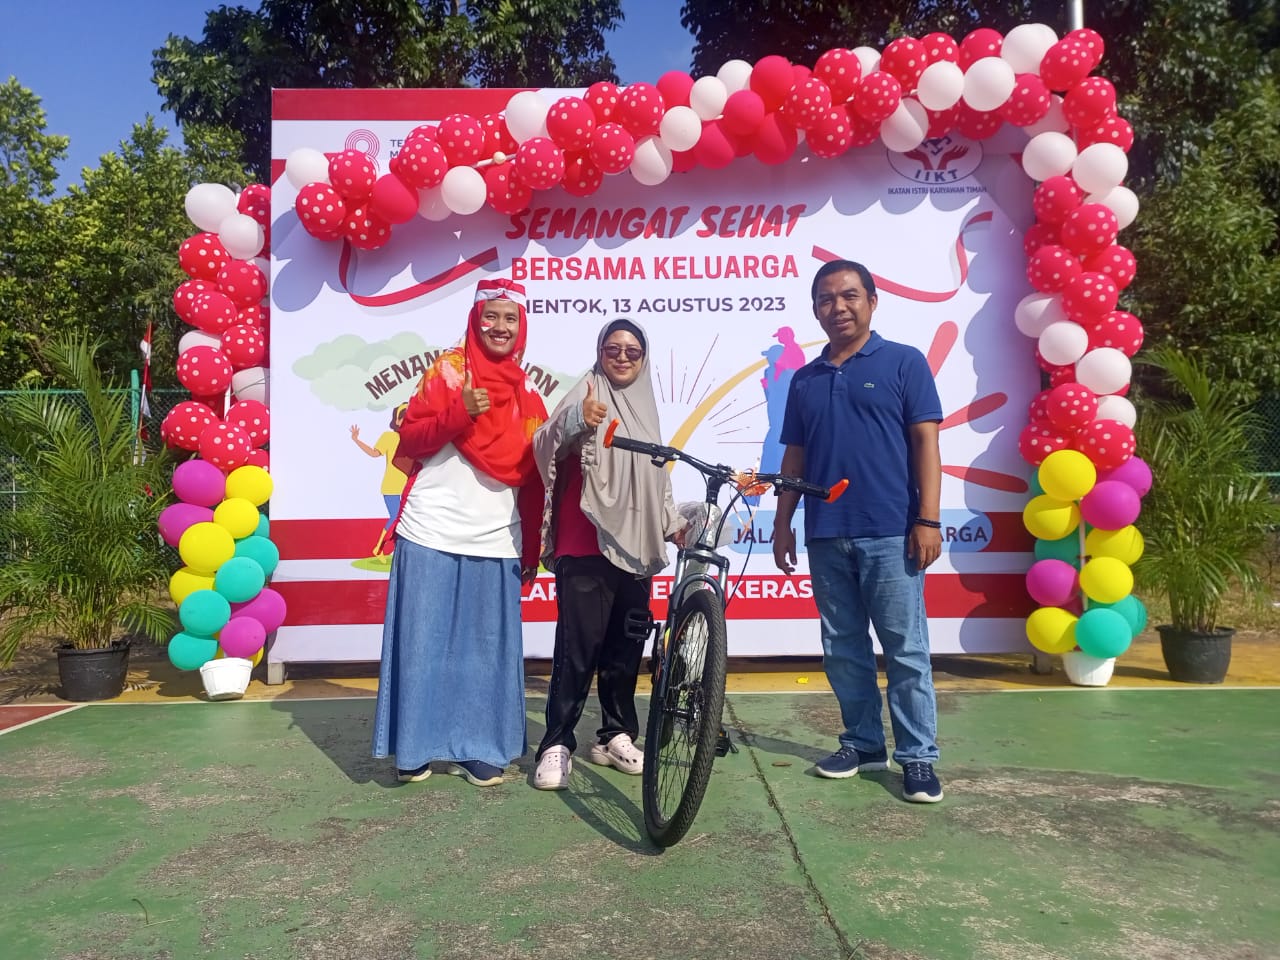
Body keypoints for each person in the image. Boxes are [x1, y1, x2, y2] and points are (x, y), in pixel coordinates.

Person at [772, 259, 945, 803]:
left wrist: (928, 519)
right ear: (815, 310)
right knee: (843, 648)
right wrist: (783, 522)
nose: (838, 307)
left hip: (892, 531)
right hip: (826, 532)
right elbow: (795, 455)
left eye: (849, 295)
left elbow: (926, 444)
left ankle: (918, 758)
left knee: (905, 650)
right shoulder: (805, 379)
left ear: (872, 301)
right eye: (826, 299)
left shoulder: (904, 362)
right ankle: (864, 744)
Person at [372, 278, 547, 787]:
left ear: (522, 327)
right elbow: (410, 440)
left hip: (497, 536)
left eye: (510, 318)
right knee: (421, 643)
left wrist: (532, 551)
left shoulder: (528, 395)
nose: (500, 327)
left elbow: (535, 478)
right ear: (475, 319)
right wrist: (459, 413)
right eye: (491, 316)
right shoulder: (447, 372)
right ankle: (415, 748)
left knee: (484, 650)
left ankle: (479, 747)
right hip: (430, 528)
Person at [530, 318, 684, 791]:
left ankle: (615, 736)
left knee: (625, 648)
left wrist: (670, 522)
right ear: (599, 353)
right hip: (586, 540)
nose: (622, 357)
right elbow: (542, 444)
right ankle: (556, 743)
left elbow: (655, 476)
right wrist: (576, 421)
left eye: (632, 351)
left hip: (636, 546)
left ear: (643, 358)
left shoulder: (646, 407)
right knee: (577, 649)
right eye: (612, 349)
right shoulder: (586, 393)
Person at [349, 401, 409, 557]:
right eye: (402, 416)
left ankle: (393, 549)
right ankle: (379, 548)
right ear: (396, 420)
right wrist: (356, 440)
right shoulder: (389, 437)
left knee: (405, 520)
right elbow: (374, 453)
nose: (406, 420)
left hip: (409, 488)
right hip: (391, 487)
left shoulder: (413, 438)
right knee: (395, 517)